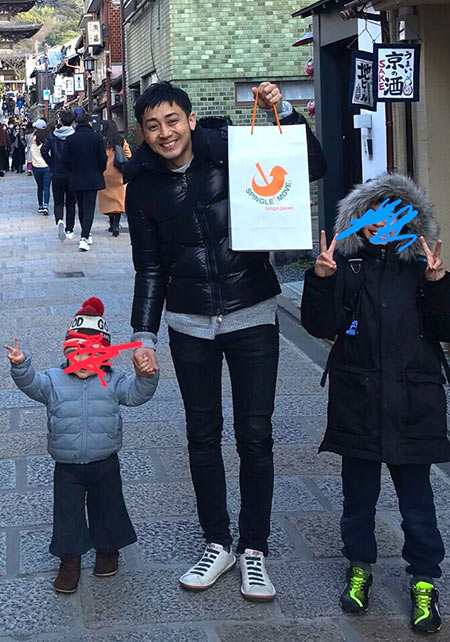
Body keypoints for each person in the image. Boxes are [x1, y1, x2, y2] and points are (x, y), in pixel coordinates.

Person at [124, 81, 326, 601]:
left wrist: (286, 112)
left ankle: (254, 548)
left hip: (252, 311)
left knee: (255, 436)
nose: (165, 133)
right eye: (153, 126)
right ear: (144, 134)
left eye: (172, 120)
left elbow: (311, 165)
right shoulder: (141, 187)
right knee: (202, 435)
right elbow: (149, 269)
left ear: (190, 120)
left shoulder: (230, 151)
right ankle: (218, 543)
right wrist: (143, 334)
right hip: (189, 323)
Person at [301, 173, 450, 634]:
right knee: (358, 499)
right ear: (358, 219)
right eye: (371, 214)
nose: (380, 224)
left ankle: (424, 580)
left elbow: (444, 328)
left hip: (413, 401)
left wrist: (438, 283)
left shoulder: (421, 268)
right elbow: (319, 324)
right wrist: (320, 279)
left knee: (418, 502)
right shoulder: (348, 267)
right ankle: (359, 567)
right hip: (358, 399)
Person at [4, 297, 159, 594]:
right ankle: (70, 560)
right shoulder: (53, 380)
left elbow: (136, 395)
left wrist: (146, 377)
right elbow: (32, 384)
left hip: (105, 460)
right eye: (77, 352)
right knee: (67, 512)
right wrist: (21, 366)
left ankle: (108, 550)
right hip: (67, 464)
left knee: (108, 507)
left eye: (93, 354)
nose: (84, 360)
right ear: (67, 352)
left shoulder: (114, 380)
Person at [62, 110, 107, 252]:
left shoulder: (71, 139)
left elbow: (65, 160)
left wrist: (72, 170)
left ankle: (86, 234)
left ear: (76, 123)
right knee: (89, 208)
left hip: (76, 177)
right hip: (93, 177)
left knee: (81, 207)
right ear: (89, 123)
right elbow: (103, 159)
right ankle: (84, 237)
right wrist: (99, 170)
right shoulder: (97, 138)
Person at [41, 109, 77, 241]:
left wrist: (51, 163)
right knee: (71, 204)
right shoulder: (75, 136)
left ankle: (59, 221)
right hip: (72, 174)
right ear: (72, 122)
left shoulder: (53, 136)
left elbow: (44, 150)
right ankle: (70, 230)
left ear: (60, 121)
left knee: (58, 202)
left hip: (57, 173)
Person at [98, 119, 132, 237]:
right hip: (118, 172)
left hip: (105, 172)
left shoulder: (102, 141)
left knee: (107, 199)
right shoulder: (121, 141)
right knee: (118, 200)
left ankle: (111, 223)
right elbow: (128, 154)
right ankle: (116, 224)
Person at [31, 119, 52, 215]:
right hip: (46, 166)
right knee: (46, 187)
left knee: (40, 187)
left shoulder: (33, 139)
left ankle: (40, 205)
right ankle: (45, 206)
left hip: (36, 166)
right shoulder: (49, 139)